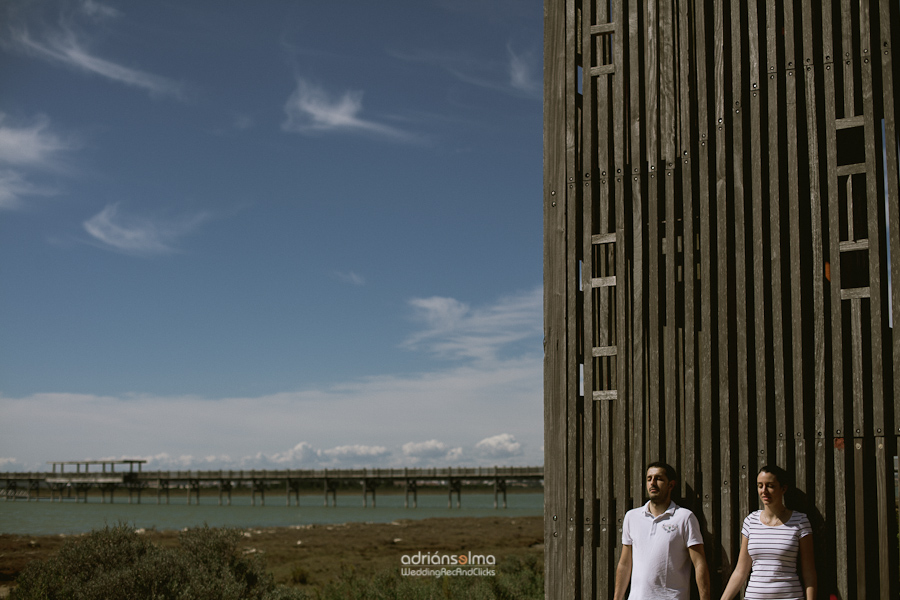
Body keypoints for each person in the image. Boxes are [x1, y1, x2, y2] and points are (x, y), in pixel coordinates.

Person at [613, 462, 711, 600]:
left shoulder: (684, 517)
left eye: (658, 478)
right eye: (649, 479)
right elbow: (624, 563)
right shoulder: (632, 517)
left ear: (670, 485)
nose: (652, 483)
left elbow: (699, 563)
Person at [719, 465, 817, 600]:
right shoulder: (750, 521)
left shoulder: (800, 521)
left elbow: (809, 572)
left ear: (783, 488)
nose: (764, 491)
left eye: (770, 486)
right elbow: (741, 571)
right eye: (760, 486)